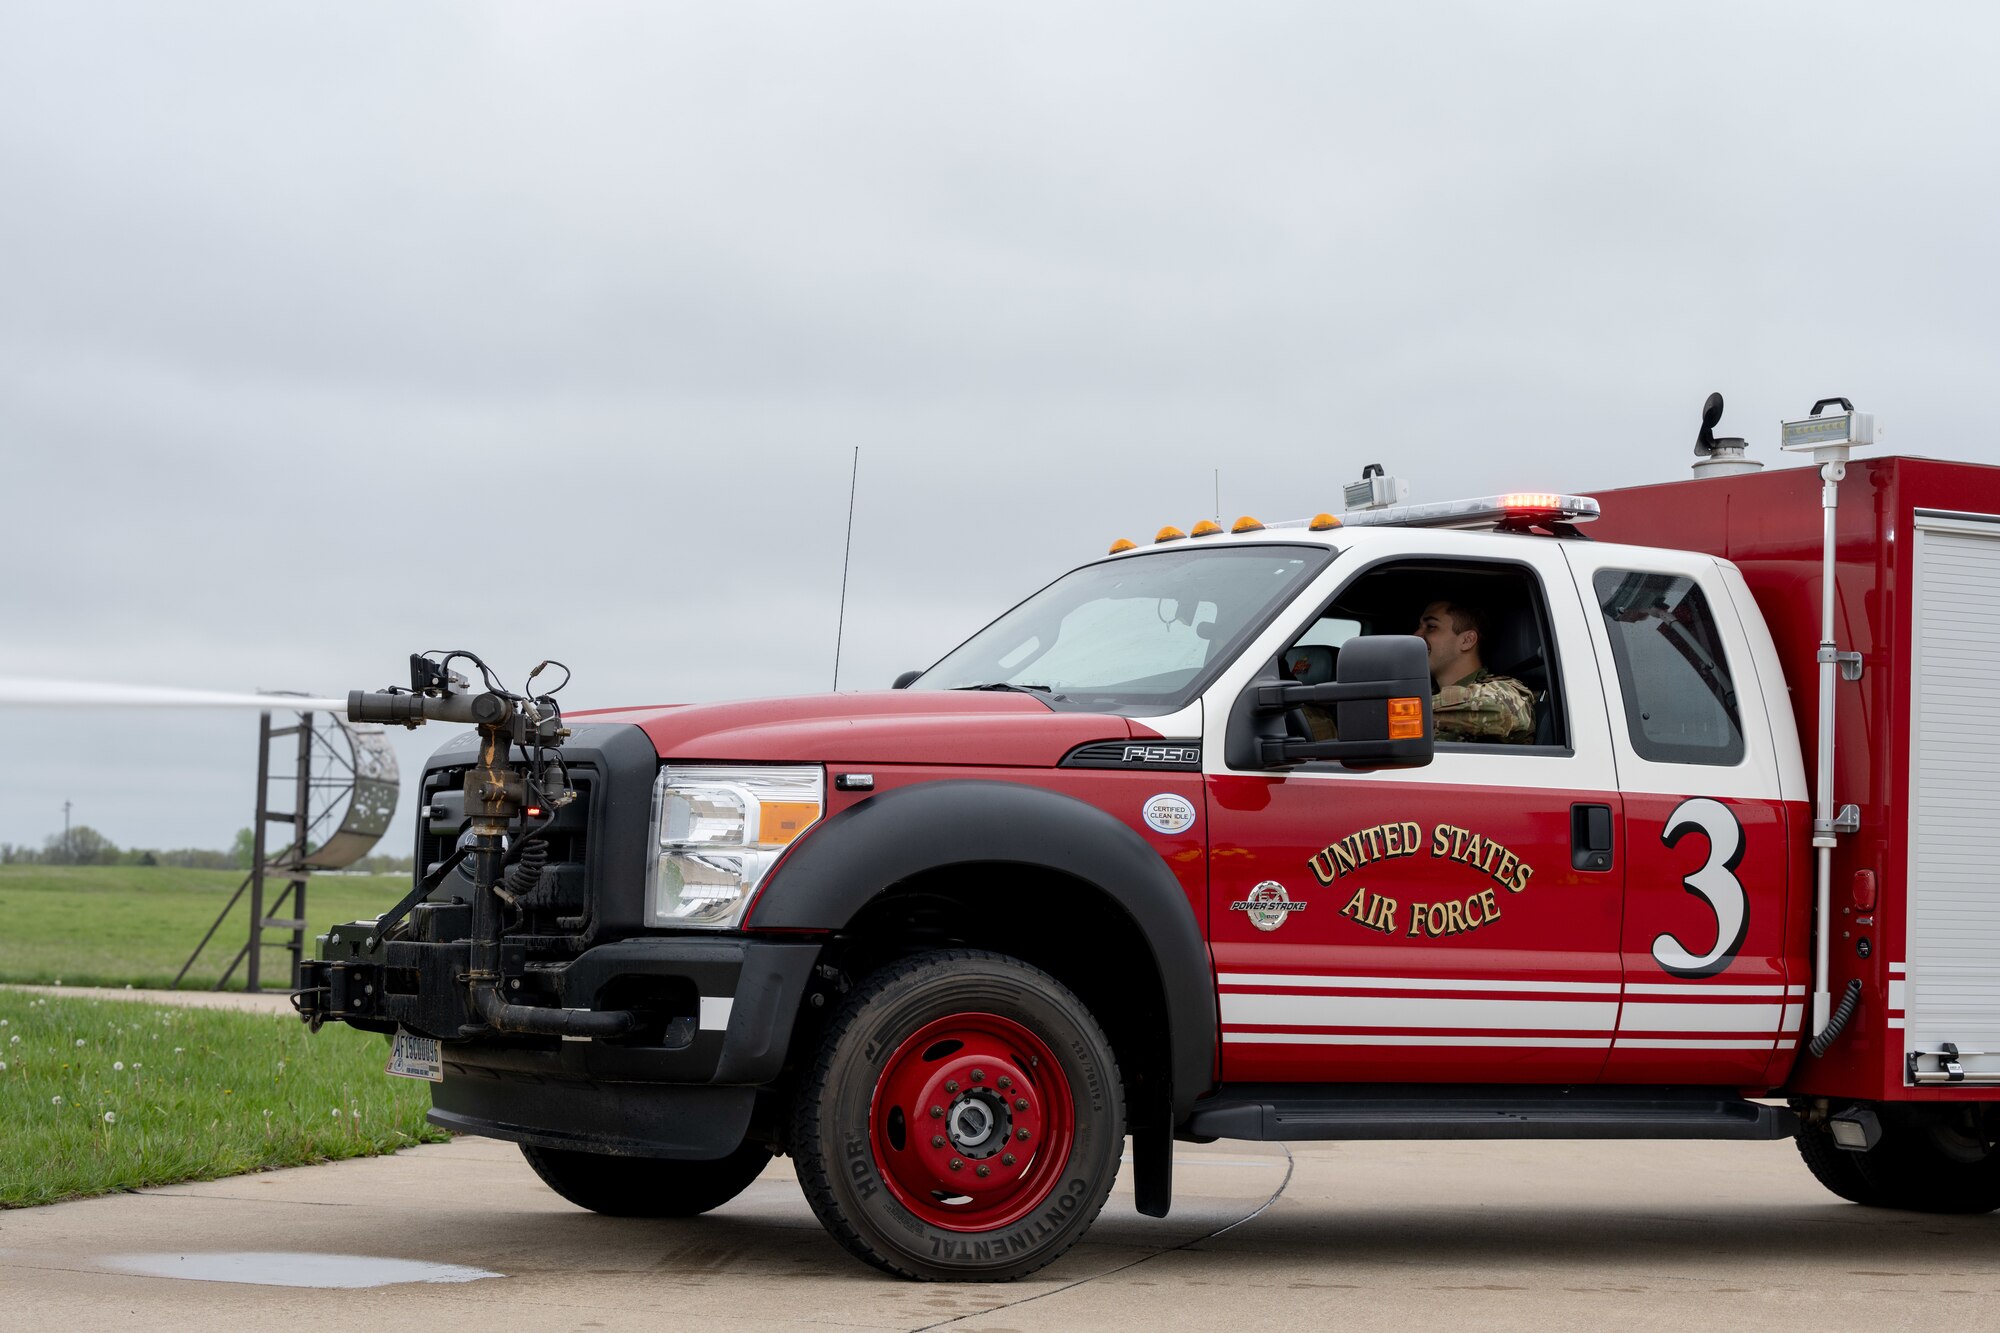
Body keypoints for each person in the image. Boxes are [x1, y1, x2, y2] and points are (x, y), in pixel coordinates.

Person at [1414, 599, 1534, 743]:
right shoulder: (1422, 692)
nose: (1416, 635)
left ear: (1467, 640)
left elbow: (1503, 709)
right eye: (1420, 626)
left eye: (1431, 626)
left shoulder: (1506, 691)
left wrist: (1403, 711)